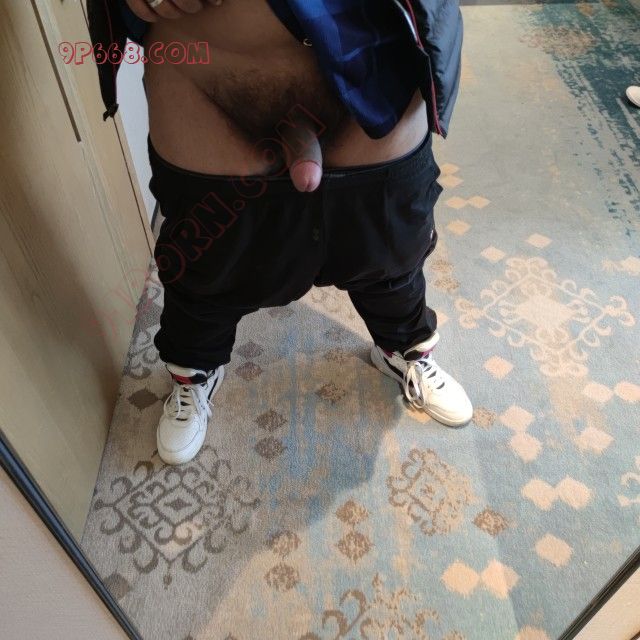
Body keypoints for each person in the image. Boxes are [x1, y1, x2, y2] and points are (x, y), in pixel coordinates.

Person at [87, 0, 473, 465]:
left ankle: (403, 349)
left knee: (391, 249)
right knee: (205, 261)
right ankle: (194, 374)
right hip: (205, 75)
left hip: (376, 66)